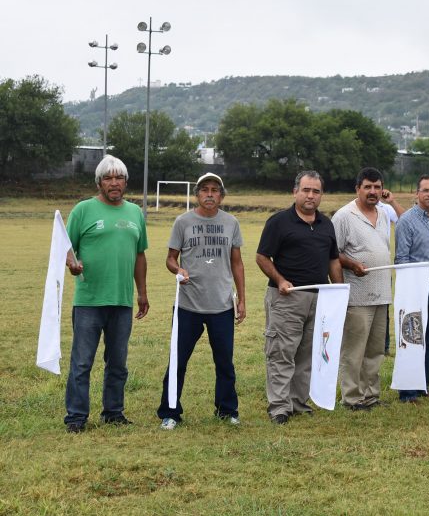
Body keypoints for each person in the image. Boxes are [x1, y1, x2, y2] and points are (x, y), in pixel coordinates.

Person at [63, 155, 149, 433]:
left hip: (122, 301)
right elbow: (67, 248)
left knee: (118, 363)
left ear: (125, 182)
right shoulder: (83, 210)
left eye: (119, 178)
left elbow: (139, 255)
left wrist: (142, 293)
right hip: (89, 301)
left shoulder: (135, 213)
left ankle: (113, 412)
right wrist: (73, 266)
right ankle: (76, 417)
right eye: (108, 178)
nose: (114, 183)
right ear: (99, 182)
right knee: (82, 362)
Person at [157, 173, 246, 430]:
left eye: (215, 190)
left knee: (224, 362)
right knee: (178, 360)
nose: (210, 194)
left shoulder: (231, 223)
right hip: (188, 305)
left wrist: (241, 298)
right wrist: (178, 270)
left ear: (221, 195)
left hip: (221, 305)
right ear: (197, 194)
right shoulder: (183, 221)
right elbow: (170, 258)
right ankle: (170, 412)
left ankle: (227, 410)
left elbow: (237, 263)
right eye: (205, 190)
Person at [256, 171, 344, 424]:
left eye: (316, 191)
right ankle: (279, 407)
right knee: (282, 353)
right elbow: (262, 257)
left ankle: (297, 402)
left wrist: (339, 291)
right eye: (306, 190)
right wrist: (281, 279)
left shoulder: (326, 224)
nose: (310, 195)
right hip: (287, 297)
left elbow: (333, 260)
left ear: (321, 195)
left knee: (307, 354)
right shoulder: (279, 222)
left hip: (319, 299)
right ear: (295, 192)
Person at [333, 168, 392, 411]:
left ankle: (371, 395)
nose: (373, 191)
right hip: (357, 294)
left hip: (382, 292)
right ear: (357, 188)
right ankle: (352, 398)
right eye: (367, 187)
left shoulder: (384, 214)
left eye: (377, 187)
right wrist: (352, 263)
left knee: (376, 349)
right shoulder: (344, 216)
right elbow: (332, 254)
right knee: (354, 349)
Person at [394, 174, 429, 403]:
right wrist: (411, 290)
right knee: (412, 338)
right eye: (425, 190)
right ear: (416, 193)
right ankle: (407, 392)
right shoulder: (406, 221)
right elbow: (401, 259)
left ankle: (422, 386)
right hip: (416, 289)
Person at [377, 189, 405, 356]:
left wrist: (392, 202)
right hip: (361, 267)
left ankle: (384, 347)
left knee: (384, 308)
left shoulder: (385, 209)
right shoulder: (353, 209)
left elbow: (406, 220)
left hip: (384, 267)